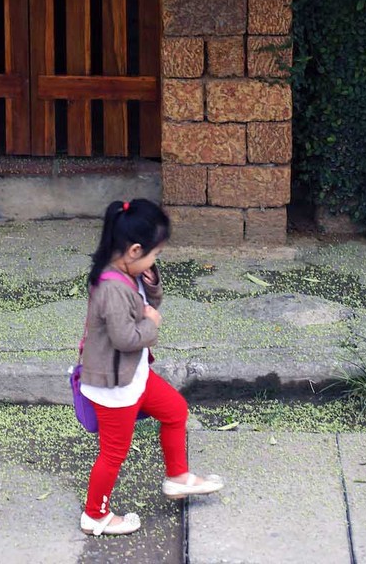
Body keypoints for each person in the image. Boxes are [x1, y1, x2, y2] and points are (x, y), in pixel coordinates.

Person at [79, 197, 224, 537]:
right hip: (115, 386)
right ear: (133, 250)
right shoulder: (112, 288)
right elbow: (125, 337)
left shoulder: (126, 273)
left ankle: (177, 477)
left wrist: (151, 279)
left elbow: (147, 302)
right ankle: (94, 514)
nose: (155, 259)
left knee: (175, 409)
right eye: (154, 254)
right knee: (113, 454)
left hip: (133, 376)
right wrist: (151, 324)